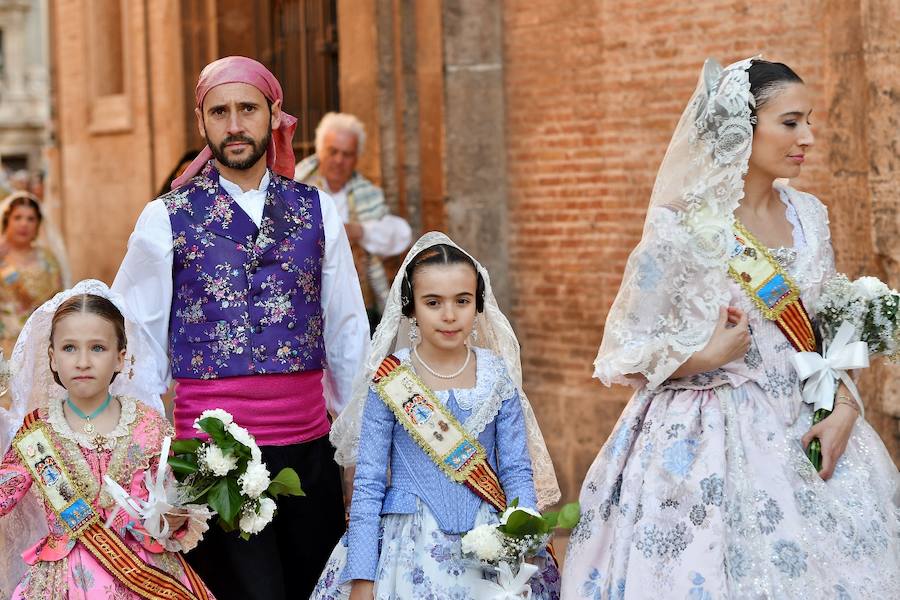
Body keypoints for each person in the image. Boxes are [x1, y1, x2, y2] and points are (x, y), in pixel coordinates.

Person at [560, 58, 899, 598]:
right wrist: (704, 355)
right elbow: (626, 347)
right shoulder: (682, 224)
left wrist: (846, 409)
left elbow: (822, 338)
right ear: (742, 126)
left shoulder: (810, 215)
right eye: (790, 122)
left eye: (809, 121)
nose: (807, 137)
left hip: (811, 429)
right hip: (707, 435)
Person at [111, 56, 369, 600]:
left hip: (308, 449)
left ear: (273, 115)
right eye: (219, 111)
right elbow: (139, 343)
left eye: (247, 109)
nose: (234, 125)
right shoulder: (164, 217)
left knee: (315, 588)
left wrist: (355, 451)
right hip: (209, 461)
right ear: (201, 121)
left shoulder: (317, 209)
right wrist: (150, 460)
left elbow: (347, 332)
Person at [316, 232, 562, 599]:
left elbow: (515, 470)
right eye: (433, 302)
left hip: (488, 541)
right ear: (411, 307)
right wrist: (363, 578)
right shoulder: (391, 378)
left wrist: (523, 543)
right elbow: (368, 482)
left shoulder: (497, 375)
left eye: (461, 301)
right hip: (407, 546)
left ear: (477, 305)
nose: (449, 315)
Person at [0, 280, 214, 599]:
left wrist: (173, 519)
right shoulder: (36, 432)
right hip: (62, 581)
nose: (83, 361)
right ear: (52, 358)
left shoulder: (148, 425)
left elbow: (171, 504)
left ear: (120, 357)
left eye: (97, 348)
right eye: (69, 348)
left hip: (144, 575)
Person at [295, 113, 412, 331]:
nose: (339, 160)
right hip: (307, 306)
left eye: (347, 154)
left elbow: (401, 234)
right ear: (319, 150)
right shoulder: (295, 188)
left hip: (358, 305)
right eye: (333, 151)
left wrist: (360, 231)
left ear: (357, 158)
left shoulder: (368, 193)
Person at [0, 192, 64, 360]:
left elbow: (58, 300)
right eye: (18, 217)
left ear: (38, 225)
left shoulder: (48, 258)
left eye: (31, 219)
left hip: (41, 345)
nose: (24, 224)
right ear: (6, 221)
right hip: (4, 346)